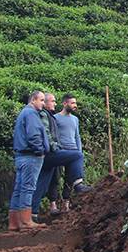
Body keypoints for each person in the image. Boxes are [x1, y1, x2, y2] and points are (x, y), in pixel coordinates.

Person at [30, 94, 91, 223]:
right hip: (52, 153)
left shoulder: (55, 117)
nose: (54, 103)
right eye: (52, 101)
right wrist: (55, 148)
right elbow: (46, 134)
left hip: (53, 152)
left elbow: (76, 136)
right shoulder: (46, 115)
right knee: (56, 178)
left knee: (41, 185)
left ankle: (33, 214)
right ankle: (78, 185)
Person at [10, 91, 49, 231]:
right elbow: (33, 135)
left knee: (19, 188)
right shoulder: (31, 114)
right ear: (33, 100)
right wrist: (40, 151)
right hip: (31, 156)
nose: (43, 103)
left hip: (21, 156)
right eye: (42, 100)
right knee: (28, 187)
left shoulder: (24, 113)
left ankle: (14, 223)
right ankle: (26, 222)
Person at [48, 94, 85, 213]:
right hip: (60, 151)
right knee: (55, 177)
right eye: (72, 103)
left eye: (75, 103)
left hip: (73, 151)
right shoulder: (56, 118)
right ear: (65, 103)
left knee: (70, 179)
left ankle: (66, 204)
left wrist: (79, 151)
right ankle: (53, 204)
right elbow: (53, 135)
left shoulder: (75, 119)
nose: (75, 105)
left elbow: (77, 136)